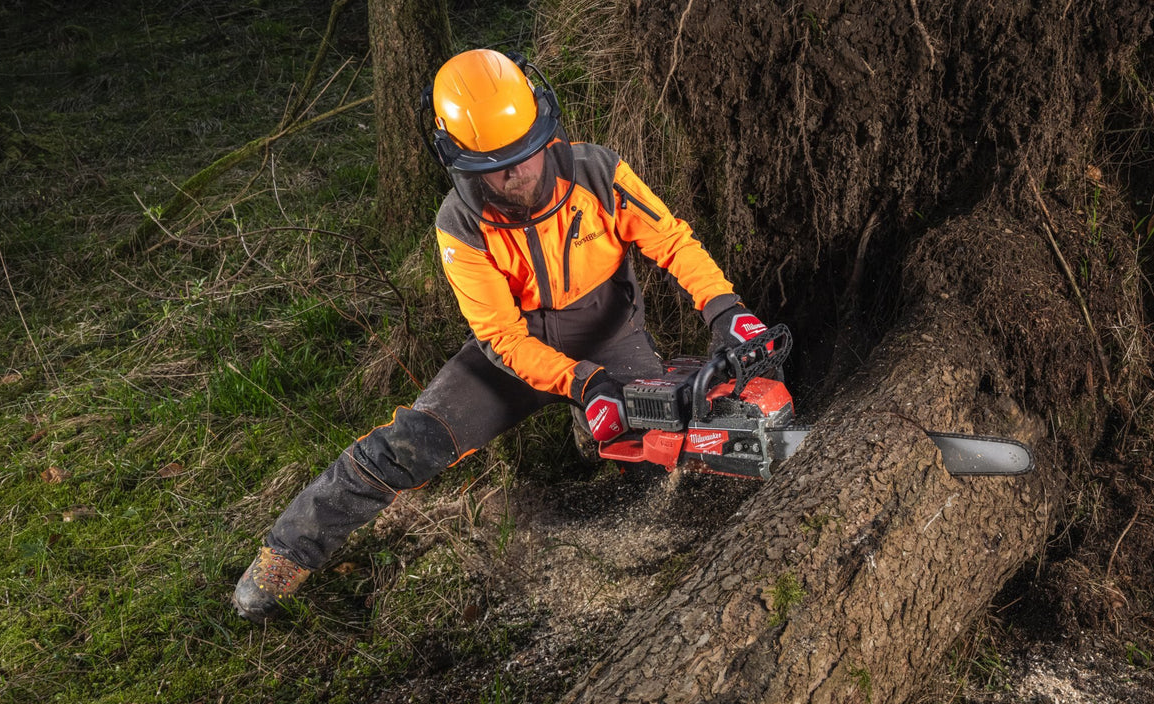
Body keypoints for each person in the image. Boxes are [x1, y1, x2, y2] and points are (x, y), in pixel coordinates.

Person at [233, 49, 771, 622]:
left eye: (526, 151)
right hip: (515, 354)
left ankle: (615, 467)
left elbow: (674, 243)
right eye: (497, 164)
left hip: (609, 333)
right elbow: (502, 338)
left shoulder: (599, 173)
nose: (519, 172)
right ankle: (284, 555)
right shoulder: (460, 225)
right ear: (458, 160)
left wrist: (725, 309)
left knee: (662, 446)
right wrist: (585, 384)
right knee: (410, 442)